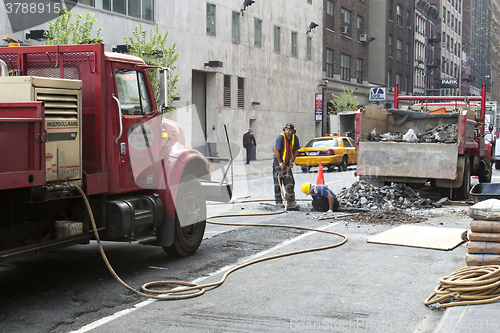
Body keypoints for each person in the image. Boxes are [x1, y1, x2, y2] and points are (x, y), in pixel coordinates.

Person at [273, 123, 300, 207]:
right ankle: (278, 201)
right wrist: (279, 163)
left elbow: (296, 150)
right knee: (278, 182)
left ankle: (291, 201)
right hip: (279, 162)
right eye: (286, 130)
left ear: (293, 131)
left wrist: (292, 161)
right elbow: (276, 150)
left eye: (289, 130)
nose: (288, 132)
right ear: (284, 130)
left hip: (288, 163)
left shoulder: (295, 138)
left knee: (290, 182)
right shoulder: (281, 137)